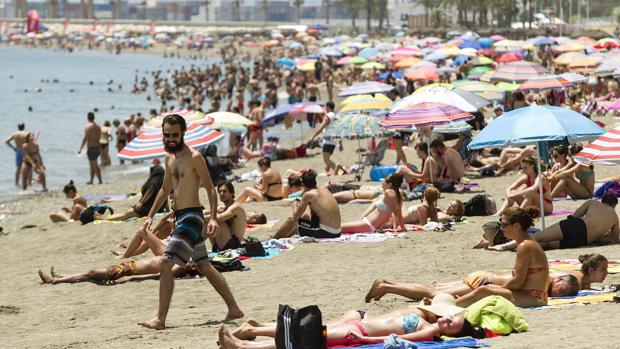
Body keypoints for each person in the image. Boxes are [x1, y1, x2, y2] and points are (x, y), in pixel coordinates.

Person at [138, 114, 243, 330]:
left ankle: (160, 319)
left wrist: (213, 217)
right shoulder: (169, 159)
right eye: (167, 135)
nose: (171, 139)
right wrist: (150, 215)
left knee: (166, 263)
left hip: (192, 217)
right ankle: (234, 308)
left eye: (175, 135)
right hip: (180, 217)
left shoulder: (195, 157)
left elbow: (211, 189)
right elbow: (165, 189)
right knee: (204, 265)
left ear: (183, 133)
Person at [217, 310, 484, 348]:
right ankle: (253, 331)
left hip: (359, 332)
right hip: (356, 323)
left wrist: (363, 339)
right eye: (452, 318)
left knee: (307, 339)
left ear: (450, 333)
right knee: (307, 329)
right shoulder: (429, 315)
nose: (447, 321)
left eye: (452, 325)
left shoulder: (429, 332)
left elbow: (398, 337)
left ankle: (245, 345)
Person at [454, 207, 550, 307]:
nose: (501, 228)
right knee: (488, 288)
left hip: (534, 298)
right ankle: (460, 303)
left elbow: (517, 281)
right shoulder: (526, 242)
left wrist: (498, 291)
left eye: (504, 225)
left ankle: (453, 305)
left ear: (517, 226)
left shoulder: (524, 246)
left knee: (485, 290)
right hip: (535, 296)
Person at [364, 270, 580, 304]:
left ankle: (389, 284)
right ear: (560, 280)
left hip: (484, 275)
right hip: (486, 282)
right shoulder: (542, 282)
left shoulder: (543, 274)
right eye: (562, 291)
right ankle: (385, 287)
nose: (558, 294)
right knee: (434, 293)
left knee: (434, 288)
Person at [493, 195, 619, 251]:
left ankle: (504, 246)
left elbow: (575, 216)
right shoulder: (615, 217)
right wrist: (598, 236)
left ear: (603, 200)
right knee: (548, 245)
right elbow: (614, 238)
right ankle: (519, 247)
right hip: (584, 240)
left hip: (577, 225)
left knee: (539, 236)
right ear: (614, 205)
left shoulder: (593, 203)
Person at [273, 169, 342, 239]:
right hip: (337, 232)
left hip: (326, 232)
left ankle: (274, 238)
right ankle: (285, 238)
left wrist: (294, 204)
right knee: (305, 216)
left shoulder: (308, 195)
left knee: (292, 220)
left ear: (303, 184)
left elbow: (295, 217)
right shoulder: (325, 190)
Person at [37, 256, 196, 285]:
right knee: (92, 272)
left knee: (92, 273)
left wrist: (131, 278)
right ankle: (64, 277)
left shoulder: (180, 267)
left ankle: (56, 281)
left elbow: (157, 276)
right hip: (130, 266)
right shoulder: (181, 257)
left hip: (129, 271)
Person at [95, 165, 167, 221]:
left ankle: (103, 218)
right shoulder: (163, 184)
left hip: (148, 208)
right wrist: (167, 209)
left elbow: (150, 190)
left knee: (125, 214)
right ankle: (105, 217)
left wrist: (141, 203)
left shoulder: (153, 183)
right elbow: (165, 197)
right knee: (126, 213)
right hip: (157, 208)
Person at [340, 174, 406, 233]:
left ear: (390, 184)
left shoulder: (389, 193)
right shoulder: (398, 195)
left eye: (383, 184)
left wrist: (395, 229)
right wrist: (402, 228)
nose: (382, 186)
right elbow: (398, 212)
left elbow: (394, 212)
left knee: (338, 228)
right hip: (367, 223)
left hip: (368, 225)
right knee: (338, 227)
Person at [207, 182, 247, 252]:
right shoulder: (222, 206)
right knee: (209, 219)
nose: (221, 193)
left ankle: (194, 244)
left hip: (233, 245)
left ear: (231, 193)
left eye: (224, 191)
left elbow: (217, 219)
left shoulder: (236, 207)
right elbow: (205, 212)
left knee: (215, 221)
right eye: (219, 191)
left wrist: (199, 218)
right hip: (219, 244)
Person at [308, 101, 338, 174]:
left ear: (327, 107)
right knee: (328, 158)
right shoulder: (335, 116)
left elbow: (321, 127)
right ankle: (327, 170)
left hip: (328, 140)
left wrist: (313, 136)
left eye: (325, 107)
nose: (325, 109)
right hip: (334, 140)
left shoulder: (328, 116)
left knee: (326, 160)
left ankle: (339, 170)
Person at [78, 112, 103, 185]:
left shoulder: (88, 127)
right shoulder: (98, 126)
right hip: (98, 147)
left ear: (88, 118)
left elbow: (85, 138)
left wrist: (81, 148)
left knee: (94, 165)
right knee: (92, 164)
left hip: (91, 147)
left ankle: (100, 180)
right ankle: (91, 180)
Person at [5, 122, 28, 186]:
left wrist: (13, 148)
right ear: (24, 127)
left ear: (18, 127)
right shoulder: (26, 134)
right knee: (27, 167)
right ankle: (27, 183)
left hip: (18, 151)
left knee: (18, 168)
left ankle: (16, 183)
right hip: (25, 151)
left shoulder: (14, 134)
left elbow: (6, 141)